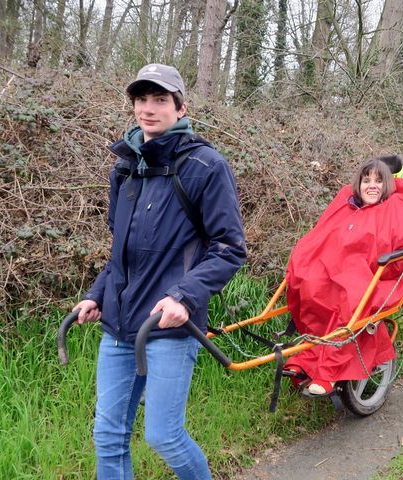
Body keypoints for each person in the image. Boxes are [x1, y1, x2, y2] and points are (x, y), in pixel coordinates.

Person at [71, 63, 246, 479]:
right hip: (117, 326)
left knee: (163, 436)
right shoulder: (126, 166)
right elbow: (122, 252)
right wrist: (97, 294)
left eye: (160, 100)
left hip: (168, 326)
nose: (148, 109)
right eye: (141, 99)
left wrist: (184, 297)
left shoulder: (205, 166)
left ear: (181, 108)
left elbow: (229, 247)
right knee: (108, 434)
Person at [285, 158, 403, 395]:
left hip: (373, 276)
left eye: (379, 181)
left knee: (350, 299)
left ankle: (328, 373)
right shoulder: (346, 207)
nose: (372, 186)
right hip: (337, 270)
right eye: (366, 180)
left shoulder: (392, 209)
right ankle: (310, 357)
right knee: (309, 284)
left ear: (388, 185)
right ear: (357, 184)